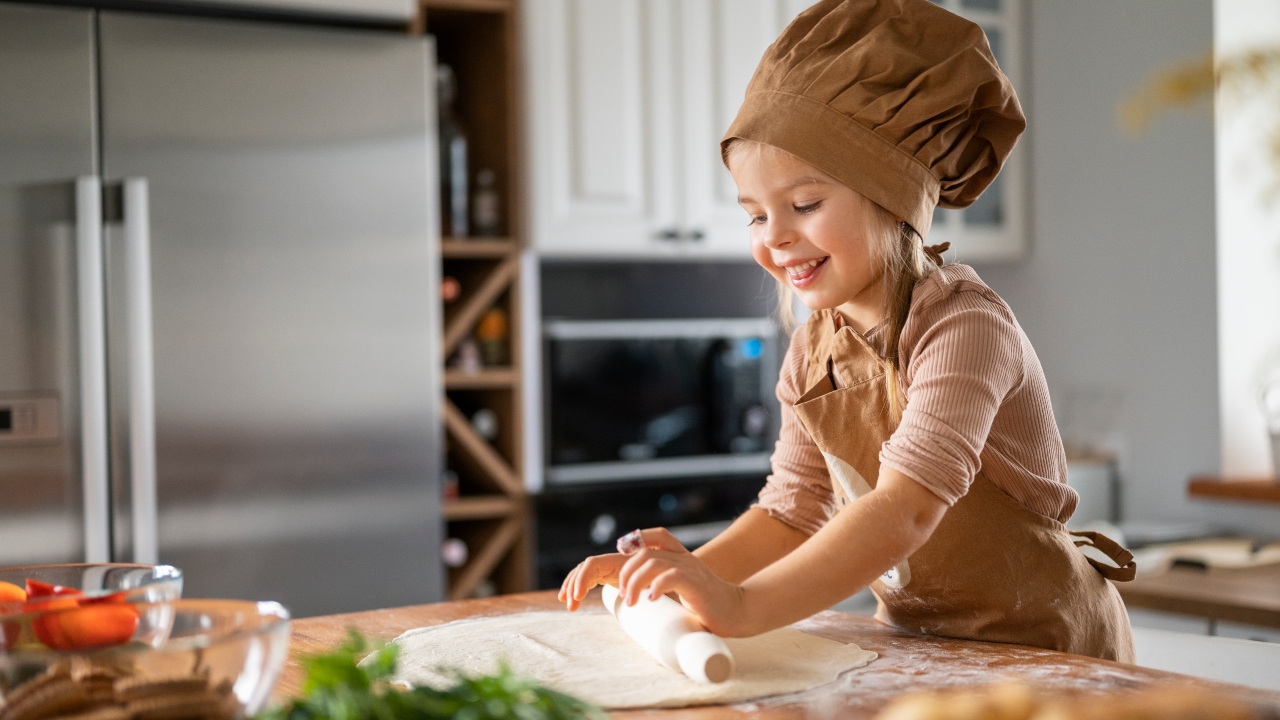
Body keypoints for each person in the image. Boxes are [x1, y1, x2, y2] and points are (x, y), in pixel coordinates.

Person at [559, 0, 1136, 662]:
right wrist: (685, 579)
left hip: (1050, 656)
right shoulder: (813, 349)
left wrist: (742, 607)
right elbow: (791, 512)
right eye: (754, 215)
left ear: (890, 200)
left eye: (803, 205)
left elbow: (906, 509)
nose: (775, 237)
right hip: (929, 651)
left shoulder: (964, 329)